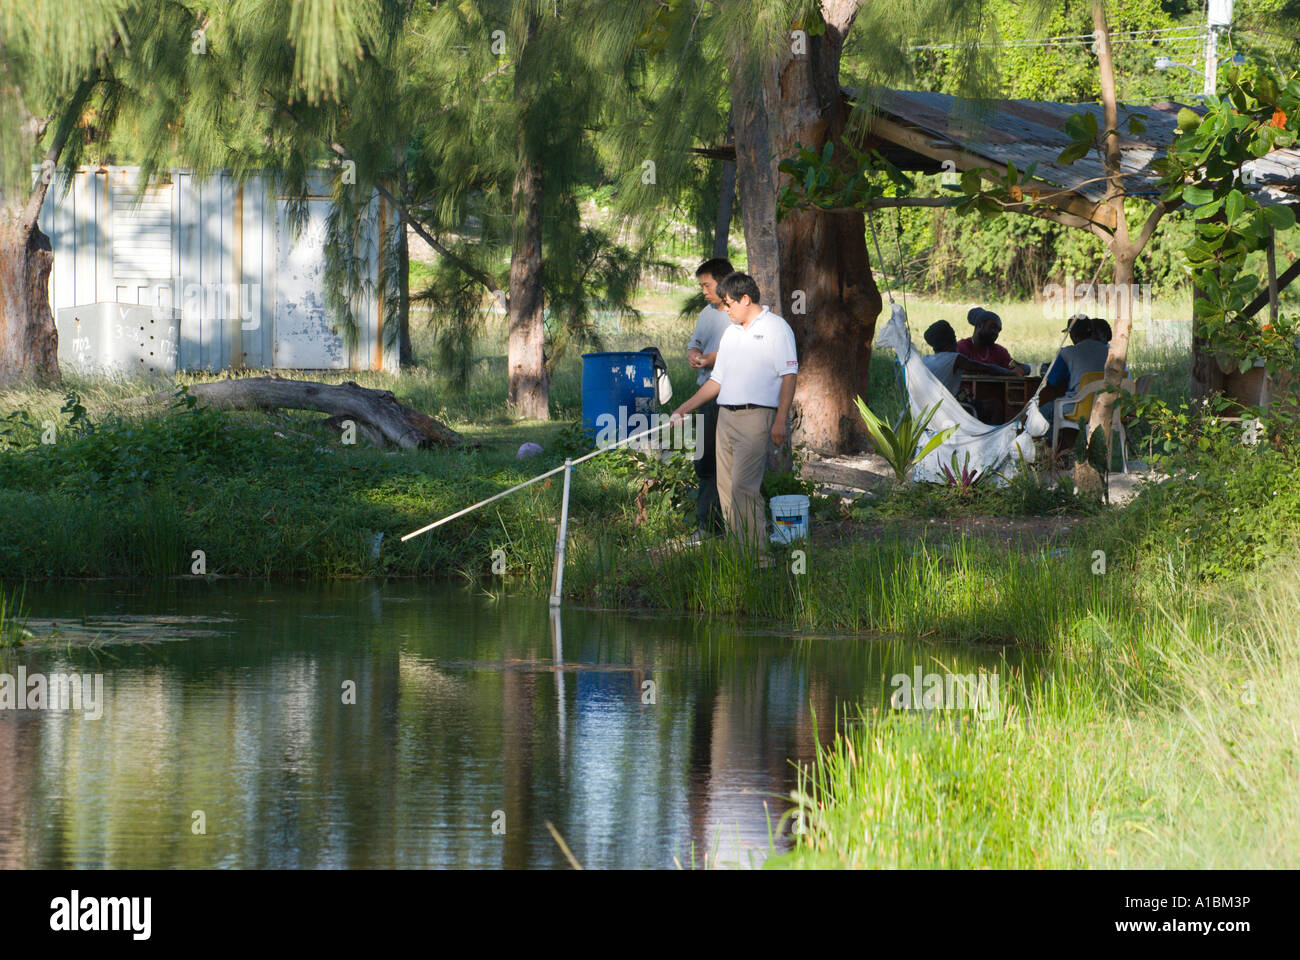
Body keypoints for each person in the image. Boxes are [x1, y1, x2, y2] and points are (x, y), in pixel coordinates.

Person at [670, 272, 798, 555]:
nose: (725, 310)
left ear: (745, 299)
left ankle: (759, 558)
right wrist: (684, 408)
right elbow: (716, 382)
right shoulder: (730, 333)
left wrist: (780, 420)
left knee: (744, 488)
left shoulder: (777, 328)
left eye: (728, 304)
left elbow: (789, 375)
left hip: (756, 417)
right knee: (726, 488)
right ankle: (739, 553)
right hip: (725, 417)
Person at [684, 257, 734, 541]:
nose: (703, 290)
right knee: (704, 461)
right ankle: (707, 525)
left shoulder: (737, 312)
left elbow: (732, 352)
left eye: (707, 284)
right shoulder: (706, 313)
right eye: (701, 285)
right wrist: (694, 356)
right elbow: (695, 344)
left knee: (727, 464)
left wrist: (709, 359)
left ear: (724, 281)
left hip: (730, 396)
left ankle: (734, 527)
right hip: (706, 394)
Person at [1039, 315, 1113, 454]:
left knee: (1042, 413)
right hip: (1108, 406)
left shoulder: (1067, 352)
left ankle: (1058, 452)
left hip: (1080, 407)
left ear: (1071, 334)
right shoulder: (1110, 352)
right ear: (1091, 332)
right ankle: (1070, 449)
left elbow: (1053, 381)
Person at [922, 319, 1021, 395]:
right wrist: (1011, 373)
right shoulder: (954, 358)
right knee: (994, 406)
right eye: (954, 339)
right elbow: (985, 368)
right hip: (946, 408)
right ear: (950, 342)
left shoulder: (923, 360)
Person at [956, 308, 1031, 375]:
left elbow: (1021, 367)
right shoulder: (962, 347)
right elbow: (969, 367)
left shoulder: (1000, 351)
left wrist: (1022, 369)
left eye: (998, 330)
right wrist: (1007, 373)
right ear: (980, 325)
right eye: (993, 328)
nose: (996, 333)